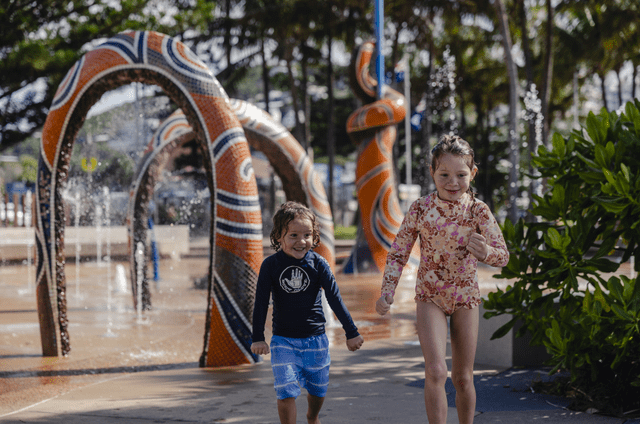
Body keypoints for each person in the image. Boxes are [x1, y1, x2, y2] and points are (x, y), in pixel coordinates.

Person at [375, 135, 509, 424]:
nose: (452, 182)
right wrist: (387, 292)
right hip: (430, 297)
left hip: (465, 298)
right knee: (436, 371)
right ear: (432, 172)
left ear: (472, 174)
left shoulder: (478, 211)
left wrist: (486, 252)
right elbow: (398, 253)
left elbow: (503, 256)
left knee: (462, 377)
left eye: (461, 175)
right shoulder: (421, 209)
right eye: (444, 174)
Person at [251, 201, 364, 424]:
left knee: (318, 390)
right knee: (285, 391)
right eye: (293, 235)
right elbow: (261, 302)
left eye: (307, 235)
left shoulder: (319, 264)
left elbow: (334, 299)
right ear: (279, 237)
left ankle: (312, 417)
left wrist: (351, 332)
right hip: (283, 341)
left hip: (316, 341)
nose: (301, 241)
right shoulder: (270, 266)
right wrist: (257, 338)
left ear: (314, 237)